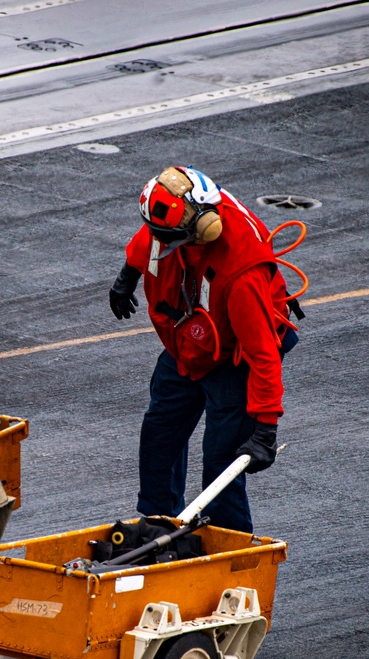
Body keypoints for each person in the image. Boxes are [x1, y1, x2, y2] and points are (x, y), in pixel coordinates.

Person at [108, 165, 299, 533]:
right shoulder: (184, 213)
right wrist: (128, 273)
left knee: (221, 469)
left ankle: (235, 556)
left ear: (195, 233)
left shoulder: (242, 276)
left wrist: (265, 429)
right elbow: (152, 235)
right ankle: (158, 529)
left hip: (234, 361)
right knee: (159, 439)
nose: (155, 242)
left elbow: (263, 355)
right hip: (189, 347)